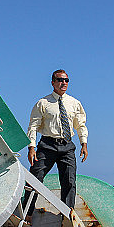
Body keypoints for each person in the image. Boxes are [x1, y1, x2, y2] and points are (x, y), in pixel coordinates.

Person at [25, 69, 88, 217]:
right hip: (47, 145)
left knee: (69, 181)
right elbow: (33, 126)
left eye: (66, 80)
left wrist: (84, 144)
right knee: (35, 177)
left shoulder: (75, 103)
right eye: (60, 80)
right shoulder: (43, 103)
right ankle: (27, 213)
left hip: (67, 146)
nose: (63, 83)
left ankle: (67, 214)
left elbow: (80, 125)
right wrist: (31, 147)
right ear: (53, 82)